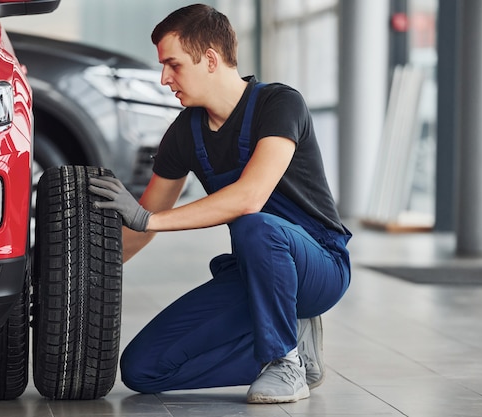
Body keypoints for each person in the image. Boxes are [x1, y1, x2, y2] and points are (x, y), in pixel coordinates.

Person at [88, 3, 352, 404]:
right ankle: (296, 353)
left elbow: (250, 197)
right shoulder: (184, 133)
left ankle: (282, 361)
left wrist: (149, 219)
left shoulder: (279, 105)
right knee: (143, 368)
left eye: (173, 65)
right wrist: (77, 282)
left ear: (210, 59)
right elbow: (137, 231)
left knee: (255, 224)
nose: (164, 79)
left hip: (318, 267)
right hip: (252, 273)